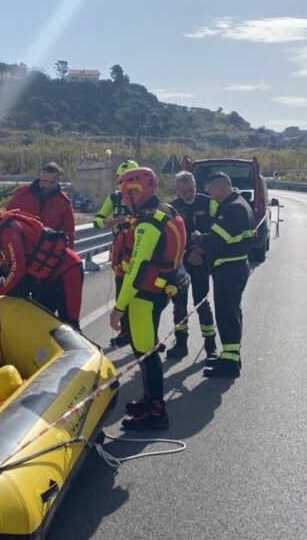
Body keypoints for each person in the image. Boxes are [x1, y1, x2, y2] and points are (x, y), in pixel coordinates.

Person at [108, 167, 187, 430]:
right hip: (158, 290)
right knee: (146, 348)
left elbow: (136, 269)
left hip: (144, 295)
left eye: (126, 192)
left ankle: (156, 411)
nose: (124, 197)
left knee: (145, 351)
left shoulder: (148, 224)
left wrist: (119, 308)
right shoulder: (166, 211)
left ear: (136, 191)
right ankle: (149, 398)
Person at [0, 211, 84, 328]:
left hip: (67, 271)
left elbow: (18, 268)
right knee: (40, 322)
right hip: (46, 277)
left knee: (70, 322)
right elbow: (14, 262)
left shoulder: (8, 232)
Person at [190, 172, 255, 378]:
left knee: (226, 315)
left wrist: (199, 238)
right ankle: (231, 356)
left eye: (211, 192)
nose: (212, 196)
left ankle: (229, 364)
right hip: (234, 267)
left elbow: (215, 239)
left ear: (219, 188)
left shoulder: (232, 208)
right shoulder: (239, 203)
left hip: (229, 268)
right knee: (232, 312)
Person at [166, 171, 218, 361]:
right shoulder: (172, 208)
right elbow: (169, 240)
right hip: (181, 264)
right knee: (179, 305)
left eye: (191, 190)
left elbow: (217, 231)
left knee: (202, 303)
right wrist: (187, 254)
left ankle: (211, 347)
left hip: (201, 262)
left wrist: (203, 251)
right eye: (184, 192)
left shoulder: (209, 202)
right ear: (177, 191)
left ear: (196, 187)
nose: (188, 195)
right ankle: (181, 344)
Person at [94, 160, 140, 348]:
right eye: (122, 180)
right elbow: (98, 221)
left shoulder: (146, 197)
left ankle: (148, 336)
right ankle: (125, 332)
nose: (126, 184)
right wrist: (112, 222)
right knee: (122, 291)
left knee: (144, 292)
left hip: (142, 246)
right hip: (121, 251)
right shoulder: (114, 198)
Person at [5, 162, 76, 248]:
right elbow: (6, 221)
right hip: (21, 250)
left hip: (45, 255)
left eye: (52, 182)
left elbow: (69, 236)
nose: (47, 186)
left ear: (58, 180)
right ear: (40, 177)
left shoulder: (64, 204)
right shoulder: (23, 195)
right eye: (44, 181)